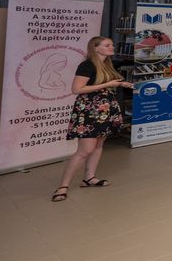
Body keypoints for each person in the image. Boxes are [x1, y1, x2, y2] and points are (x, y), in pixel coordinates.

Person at [52, 36, 134, 202]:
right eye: (107, 45)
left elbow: (107, 83)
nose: (112, 47)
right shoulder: (87, 65)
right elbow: (77, 89)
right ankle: (63, 186)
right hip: (90, 111)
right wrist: (108, 85)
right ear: (95, 48)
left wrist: (122, 84)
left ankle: (89, 178)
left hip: (105, 109)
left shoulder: (107, 64)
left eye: (112, 44)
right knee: (85, 150)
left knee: (98, 145)